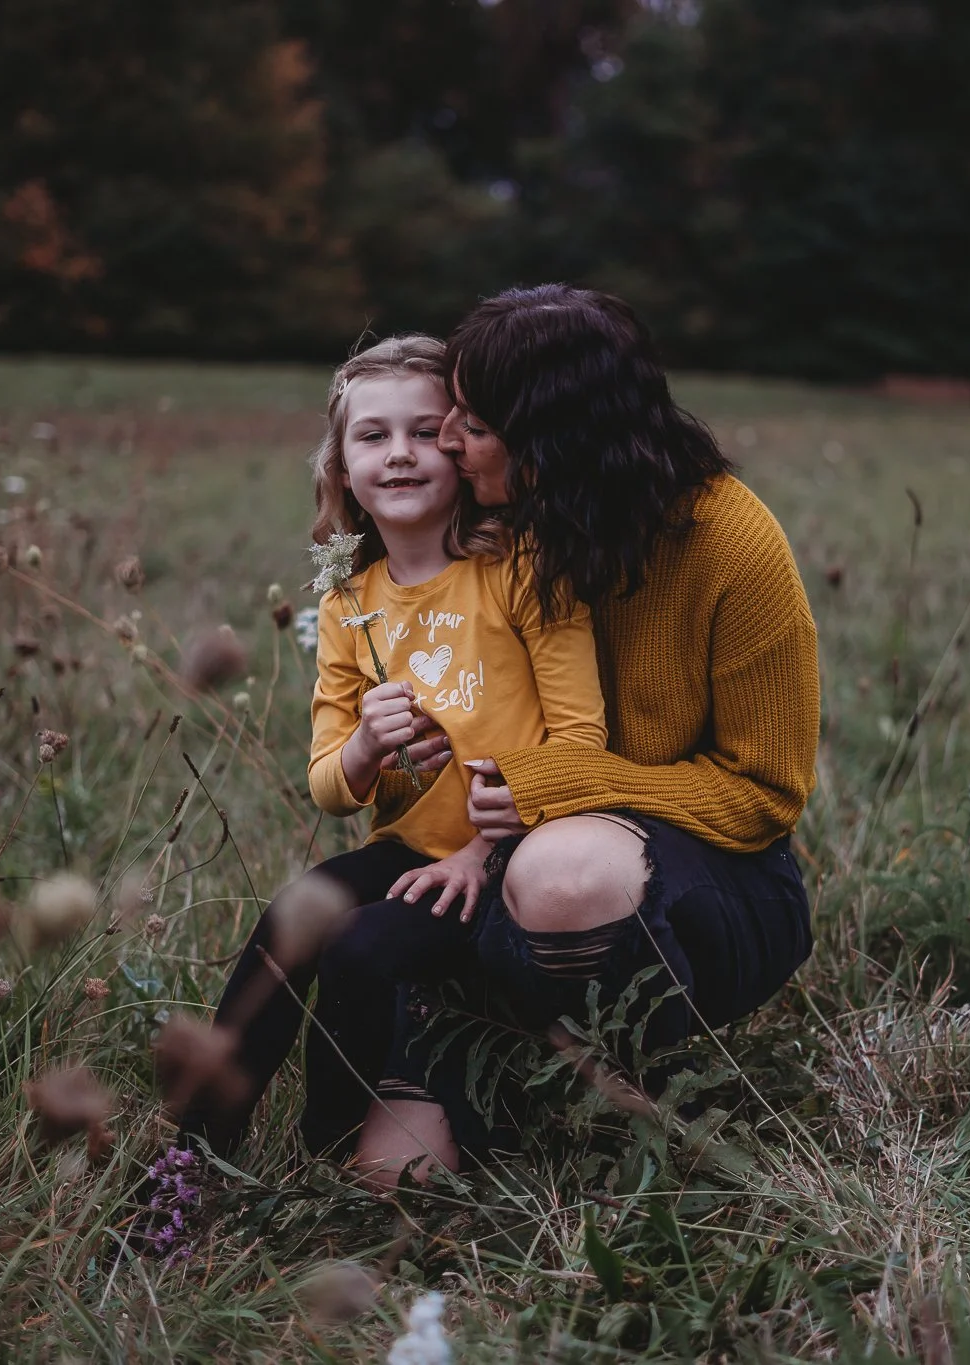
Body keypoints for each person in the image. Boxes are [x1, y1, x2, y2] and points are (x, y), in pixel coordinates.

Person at [348, 285, 821, 1183]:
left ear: (552, 440)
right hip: (485, 867)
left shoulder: (729, 543)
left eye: (473, 424)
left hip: (706, 881)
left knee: (563, 872)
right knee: (394, 1175)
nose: (448, 440)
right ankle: (521, 1050)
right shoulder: (496, 528)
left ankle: (631, 1096)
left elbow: (767, 793)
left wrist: (569, 784)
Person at [173, 335, 604, 1179]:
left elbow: (583, 740)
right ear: (340, 465)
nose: (400, 454)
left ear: (461, 448)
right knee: (296, 914)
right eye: (373, 436)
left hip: (525, 859)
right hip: (409, 851)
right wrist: (369, 741)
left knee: (364, 947)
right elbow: (330, 786)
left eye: (424, 432)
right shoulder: (349, 597)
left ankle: (327, 1144)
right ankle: (188, 1160)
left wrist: (489, 848)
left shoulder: (521, 569)